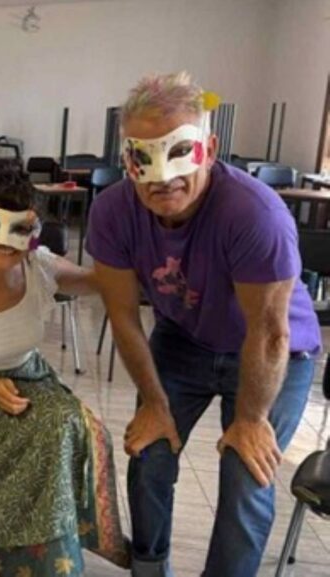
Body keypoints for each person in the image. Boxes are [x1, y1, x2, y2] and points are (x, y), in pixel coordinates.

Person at [87, 71, 321, 577]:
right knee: (149, 453)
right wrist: (153, 403)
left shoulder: (254, 214)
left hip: (271, 349)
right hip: (184, 337)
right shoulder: (112, 212)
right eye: (142, 157)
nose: (161, 175)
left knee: (245, 472)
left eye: (178, 152)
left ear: (210, 148)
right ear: (126, 157)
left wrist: (252, 421)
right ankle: (150, 570)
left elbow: (270, 331)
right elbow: (124, 317)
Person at [0, 170, 130, 577]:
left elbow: (101, 282)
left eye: (18, 230)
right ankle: (10, 564)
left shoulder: (40, 268)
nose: (4, 241)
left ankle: (67, 544)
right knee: (40, 438)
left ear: (33, 230)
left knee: (77, 427)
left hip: (29, 377)